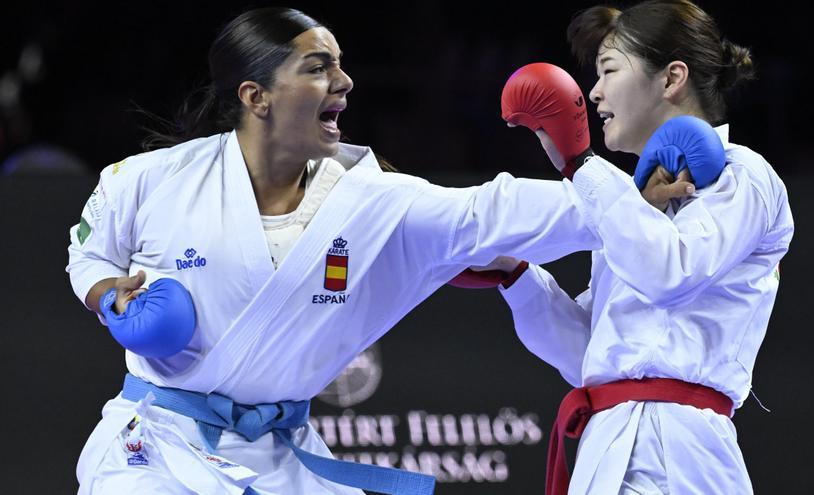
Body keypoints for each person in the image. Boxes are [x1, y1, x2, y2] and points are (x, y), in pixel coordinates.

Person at [66, 7, 723, 495]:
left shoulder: (372, 202)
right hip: (153, 450)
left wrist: (635, 191)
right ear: (256, 96)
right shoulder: (149, 180)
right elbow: (86, 247)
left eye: (341, 64)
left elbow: (492, 212)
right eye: (318, 67)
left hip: (279, 459)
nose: (345, 81)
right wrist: (103, 291)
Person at [486, 1, 794, 494]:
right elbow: (587, 350)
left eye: (609, 69)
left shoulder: (745, 176)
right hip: (605, 446)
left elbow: (672, 271)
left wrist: (580, 164)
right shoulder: (629, 204)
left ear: (671, 78)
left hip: (679, 452)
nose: (594, 91)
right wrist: (515, 276)